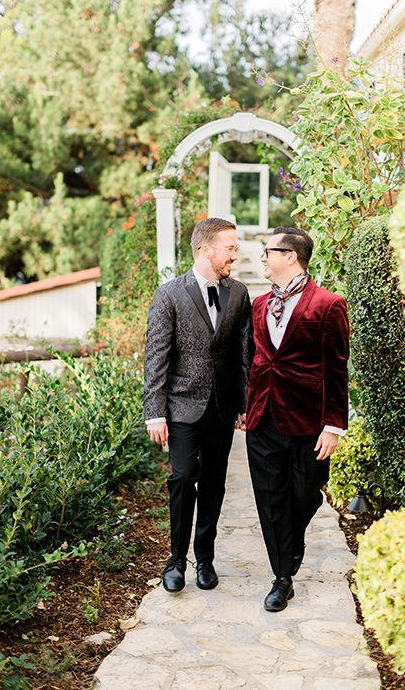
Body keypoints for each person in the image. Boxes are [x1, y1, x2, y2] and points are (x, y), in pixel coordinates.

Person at [144, 217, 251, 593]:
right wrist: (154, 411)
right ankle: (175, 561)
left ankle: (204, 560)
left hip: (221, 409)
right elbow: (156, 356)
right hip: (181, 407)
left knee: (214, 484)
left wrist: (243, 402)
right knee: (183, 476)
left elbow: (243, 353)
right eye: (230, 248)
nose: (234, 256)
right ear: (206, 249)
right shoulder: (170, 294)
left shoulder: (238, 293)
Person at [245, 227, 349, 612]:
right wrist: (246, 405)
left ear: (290, 256)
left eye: (267, 251)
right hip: (263, 416)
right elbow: (255, 360)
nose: (262, 258)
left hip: (308, 420)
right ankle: (281, 577)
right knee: (270, 498)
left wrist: (334, 425)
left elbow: (337, 370)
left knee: (306, 493)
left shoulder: (328, 304)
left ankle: (293, 542)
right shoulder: (259, 305)